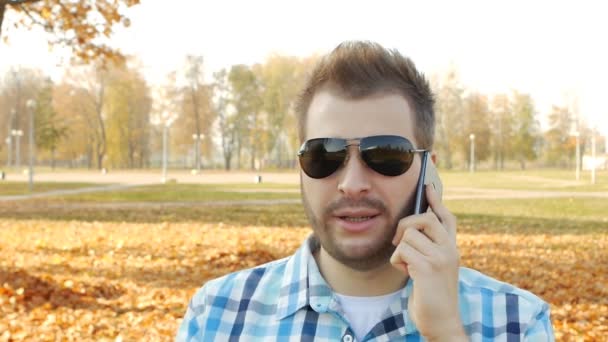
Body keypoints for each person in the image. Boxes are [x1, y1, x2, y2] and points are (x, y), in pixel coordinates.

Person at [177, 41, 554, 341]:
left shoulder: (517, 322)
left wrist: (445, 334)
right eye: (324, 155)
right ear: (301, 171)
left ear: (428, 171)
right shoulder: (217, 316)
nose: (352, 183)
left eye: (386, 153)